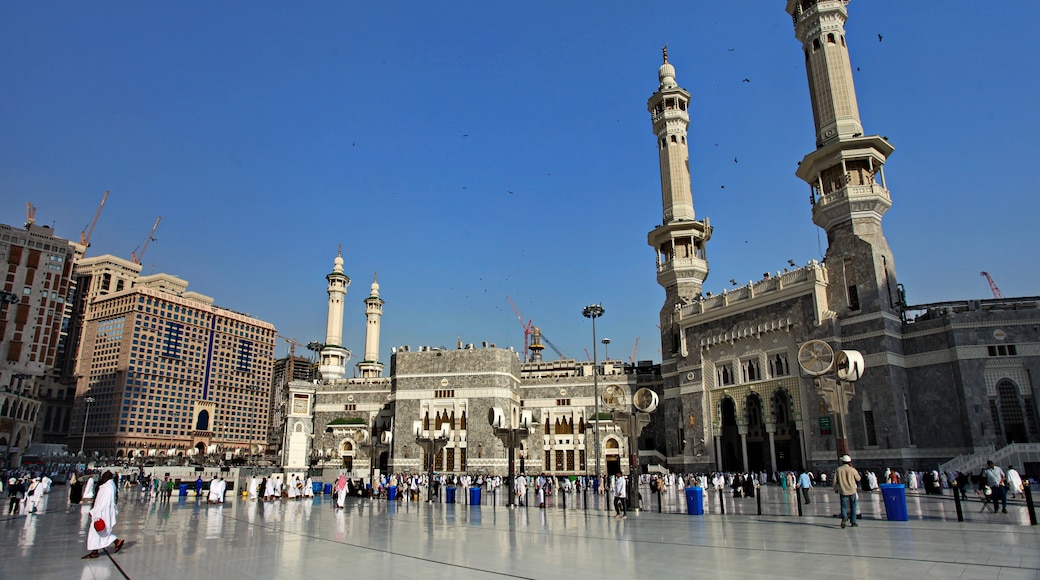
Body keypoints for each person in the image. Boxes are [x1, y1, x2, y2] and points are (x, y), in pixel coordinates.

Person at [83, 471, 125, 558]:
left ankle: (96, 551)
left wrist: (96, 513)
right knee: (101, 532)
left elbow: (104, 503)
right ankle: (115, 542)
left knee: (97, 531)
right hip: (100, 512)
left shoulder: (108, 488)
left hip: (102, 513)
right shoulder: (107, 486)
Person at [834, 455, 861, 528]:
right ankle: (853, 521)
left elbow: (834, 481)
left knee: (844, 506)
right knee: (853, 506)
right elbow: (858, 479)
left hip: (843, 490)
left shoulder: (838, 469)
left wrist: (835, 488)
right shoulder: (852, 469)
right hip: (852, 490)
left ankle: (844, 517)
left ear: (842, 461)